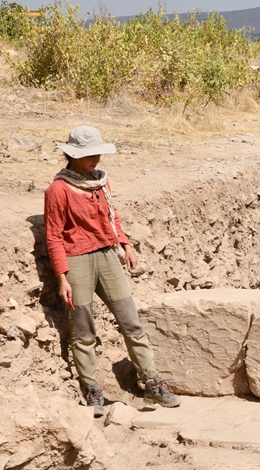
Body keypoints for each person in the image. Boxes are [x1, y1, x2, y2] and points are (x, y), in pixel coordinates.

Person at [43, 126, 180, 417]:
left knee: (131, 322)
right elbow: (54, 236)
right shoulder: (58, 189)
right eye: (89, 155)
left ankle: (152, 382)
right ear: (73, 156)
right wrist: (62, 277)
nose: (96, 159)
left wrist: (125, 244)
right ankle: (92, 389)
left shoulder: (100, 181)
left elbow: (111, 215)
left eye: (97, 153)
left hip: (107, 255)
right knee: (83, 330)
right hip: (77, 260)